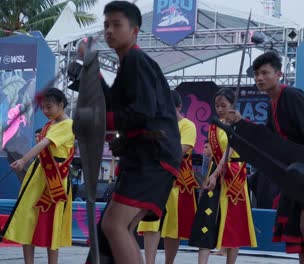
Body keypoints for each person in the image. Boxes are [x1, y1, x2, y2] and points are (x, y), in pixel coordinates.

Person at [88, 2, 181, 263]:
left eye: (117, 24)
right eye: (106, 25)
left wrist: (102, 121)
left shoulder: (137, 60)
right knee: (117, 228)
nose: (109, 31)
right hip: (145, 157)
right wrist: (90, 70)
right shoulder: (127, 64)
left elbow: (142, 112)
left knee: (114, 225)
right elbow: (112, 104)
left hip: (154, 158)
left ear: (135, 30)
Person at [226, 51, 304, 264]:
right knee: (299, 228)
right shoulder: (272, 103)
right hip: (297, 173)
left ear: (279, 74)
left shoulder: (292, 96)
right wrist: (240, 122)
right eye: (256, 74)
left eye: (265, 73)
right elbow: (267, 138)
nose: (259, 78)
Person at [2, 88, 74, 264]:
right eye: (42, 107)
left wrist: (23, 160)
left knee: (52, 225)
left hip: (55, 178)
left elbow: (45, 143)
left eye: (48, 107)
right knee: (27, 219)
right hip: (37, 176)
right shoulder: (50, 124)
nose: (45, 111)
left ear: (61, 104)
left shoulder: (68, 124)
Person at [189, 88, 257, 264]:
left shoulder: (239, 125)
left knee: (234, 223)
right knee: (206, 217)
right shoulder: (215, 125)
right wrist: (206, 177)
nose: (220, 109)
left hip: (234, 177)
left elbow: (228, 152)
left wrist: (215, 175)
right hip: (215, 173)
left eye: (224, 105)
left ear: (232, 105)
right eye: (217, 105)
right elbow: (212, 154)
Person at [137, 90, 198, 264]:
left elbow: (180, 150)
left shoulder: (188, 125)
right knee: (151, 224)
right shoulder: (155, 125)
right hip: (154, 180)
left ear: (179, 107)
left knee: (173, 228)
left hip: (177, 182)